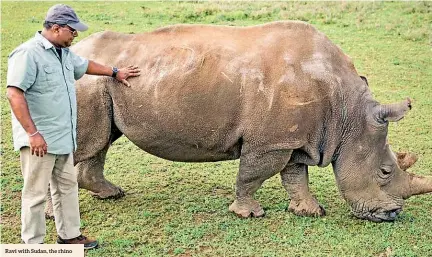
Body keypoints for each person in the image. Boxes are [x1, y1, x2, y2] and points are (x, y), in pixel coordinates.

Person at [6, 4, 141, 248]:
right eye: (72, 30)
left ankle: (69, 236)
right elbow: (14, 93)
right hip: (39, 140)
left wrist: (115, 71)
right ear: (56, 28)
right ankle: (31, 246)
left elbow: (86, 65)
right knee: (36, 194)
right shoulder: (28, 53)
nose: (75, 35)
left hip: (63, 138)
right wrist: (32, 133)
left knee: (66, 188)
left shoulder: (63, 54)